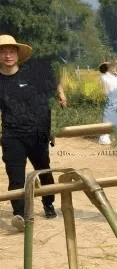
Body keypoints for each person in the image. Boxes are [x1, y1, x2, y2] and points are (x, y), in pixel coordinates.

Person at [0, 34, 67, 232]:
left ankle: (48, 203)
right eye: (3, 52)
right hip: (12, 136)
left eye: (11, 51)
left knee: (43, 170)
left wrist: (61, 94)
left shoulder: (31, 76)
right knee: (16, 178)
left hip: (37, 134)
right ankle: (20, 214)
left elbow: (53, 81)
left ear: (18, 54)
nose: (7, 55)